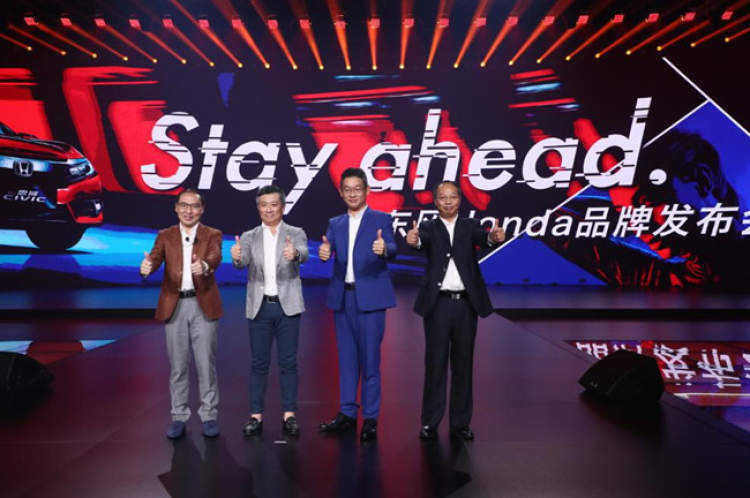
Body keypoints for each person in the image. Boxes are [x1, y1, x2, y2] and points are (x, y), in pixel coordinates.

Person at [405, 181, 505, 441]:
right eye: (442, 197)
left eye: (452, 197)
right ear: (435, 201)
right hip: (437, 305)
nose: (448, 201)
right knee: (435, 365)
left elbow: (485, 239)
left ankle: (460, 423)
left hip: (465, 306)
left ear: (460, 200)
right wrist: (413, 241)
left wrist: (493, 238)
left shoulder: (470, 226)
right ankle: (430, 422)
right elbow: (419, 241)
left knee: (463, 365)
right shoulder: (428, 227)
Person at [318, 168, 397, 442]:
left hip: (371, 299)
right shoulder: (335, 223)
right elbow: (328, 250)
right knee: (347, 360)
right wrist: (324, 253)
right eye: (347, 189)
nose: (352, 194)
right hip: (343, 298)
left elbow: (392, 247)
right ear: (341, 193)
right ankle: (347, 413)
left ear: (367, 191)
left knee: (370, 361)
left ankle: (371, 417)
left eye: (357, 188)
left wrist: (384, 249)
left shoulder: (381, 219)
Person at [140, 189, 223, 439]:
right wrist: (148, 267)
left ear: (202, 209)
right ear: (176, 208)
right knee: (178, 365)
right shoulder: (165, 235)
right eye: (184, 205)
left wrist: (204, 266)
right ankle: (178, 415)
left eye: (194, 206)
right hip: (175, 304)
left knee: (205, 364)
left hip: (202, 303)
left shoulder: (212, 234)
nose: (189, 211)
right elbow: (155, 257)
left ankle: (209, 415)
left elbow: (215, 256)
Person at [231, 185, 309, 437]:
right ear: (258, 208)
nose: (268, 209)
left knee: (288, 363)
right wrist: (236, 256)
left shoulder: (295, 232)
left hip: (288, 307)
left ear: (282, 207)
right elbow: (241, 263)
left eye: (273, 204)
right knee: (259, 363)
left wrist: (294, 254)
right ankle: (256, 415)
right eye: (263, 205)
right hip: (260, 307)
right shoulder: (249, 236)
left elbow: (304, 254)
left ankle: (289, 415)